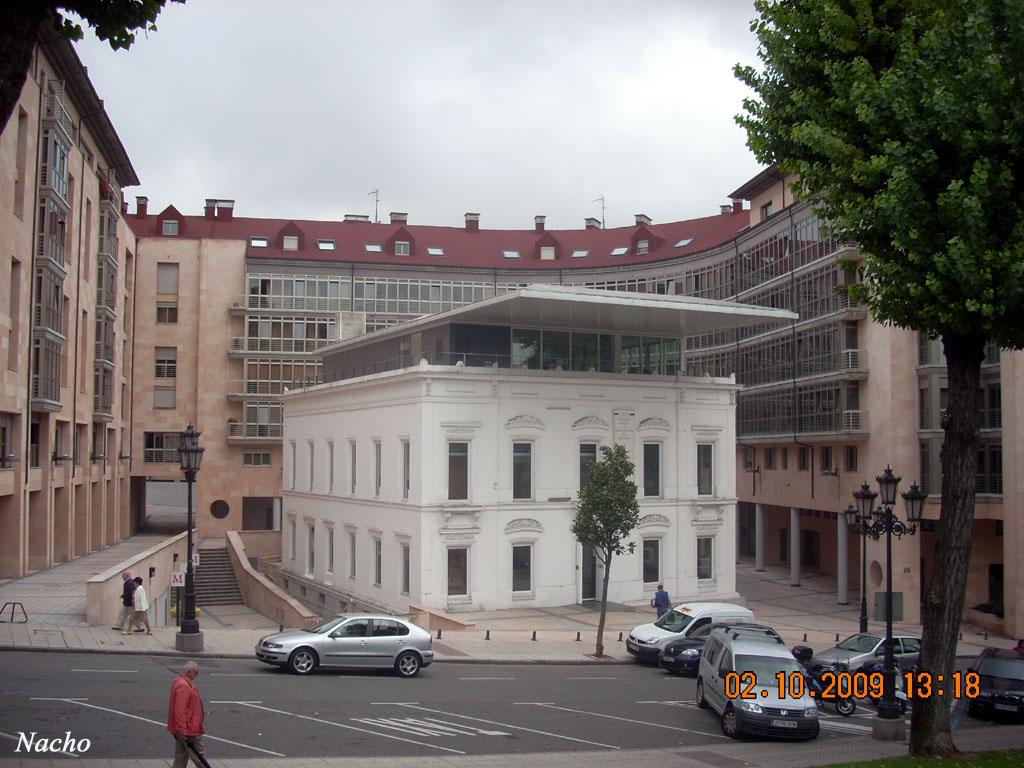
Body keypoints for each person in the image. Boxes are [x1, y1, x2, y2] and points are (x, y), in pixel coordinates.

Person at [167, 660, 206, 768]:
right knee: (199, 758)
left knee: (180, 758)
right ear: (189, 672)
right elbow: (180, 710)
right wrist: (182, 731)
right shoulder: (184, 685)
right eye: (196, 672)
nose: (197, 675)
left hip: (183, 729)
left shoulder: (180, 681)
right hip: (189, 730)